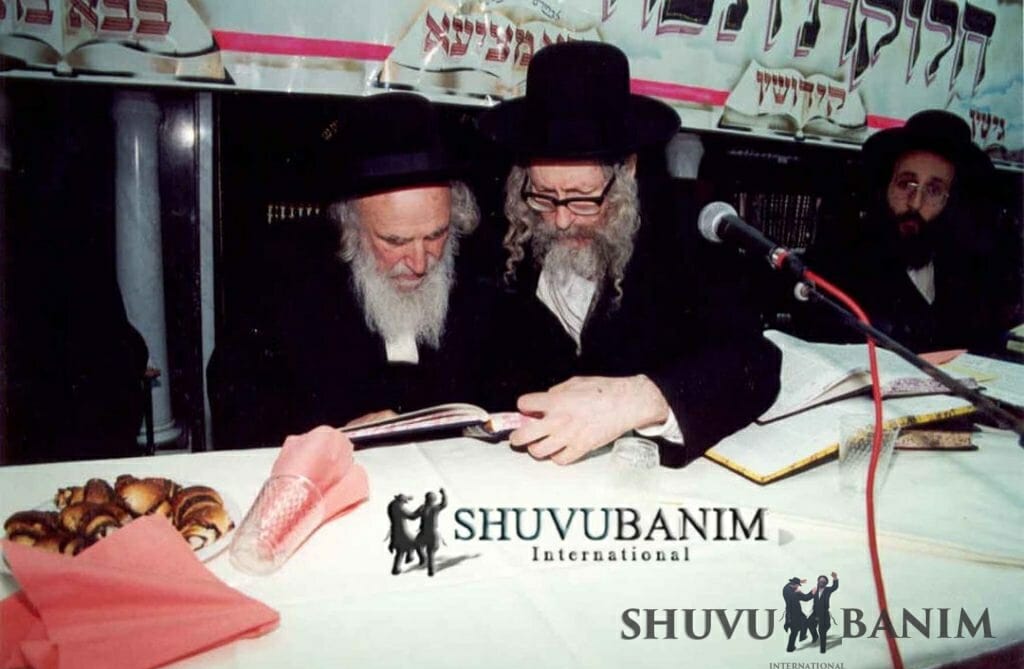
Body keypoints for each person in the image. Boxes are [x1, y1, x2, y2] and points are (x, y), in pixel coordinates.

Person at [477, 41, 781, 467]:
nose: (561, 221)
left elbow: (755, 364)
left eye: (583, 198)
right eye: (544, 195)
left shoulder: (685, 238)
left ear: (628, 170)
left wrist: (643, 397)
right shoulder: (507, 238)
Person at [208, 93, 498, 448]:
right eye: (395, 240)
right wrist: (332, 436)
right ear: (351, 226)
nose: (421, 263)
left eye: (436, 235)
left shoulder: (480, 272)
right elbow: (236, 403)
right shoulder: (285, 280)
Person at [796, 110, 1011, 353]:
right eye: (906, 183)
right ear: (887, 187)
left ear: (951, 202)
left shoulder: (971, 273)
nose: (915, 203)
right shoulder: (838, 262)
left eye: (934, 190)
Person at [807, 572, 839, 653]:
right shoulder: (815, 590)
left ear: (826, 583)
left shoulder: (828, 590)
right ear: (818, 581)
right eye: (820, 581)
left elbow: (835, 587)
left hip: (824, 613)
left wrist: (835, 578)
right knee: (809, 623)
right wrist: (797, 593)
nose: (822, 582)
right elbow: (806, 597)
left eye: (823, 581)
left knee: (822, 631)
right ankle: (815, 636)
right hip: (815, 613)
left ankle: (823, 650)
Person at [782, 577, 814, 653]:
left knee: (803, 623)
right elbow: (805, 598)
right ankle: (792, 646)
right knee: (795, 631)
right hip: (793, 614)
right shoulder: (790, 593)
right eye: (797, 585)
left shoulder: (788, 588)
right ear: (794, 585)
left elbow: (805, 598)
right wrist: (810, 592)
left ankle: (800, 638)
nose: (798, 587)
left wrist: (799, 581)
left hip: (796, 613)